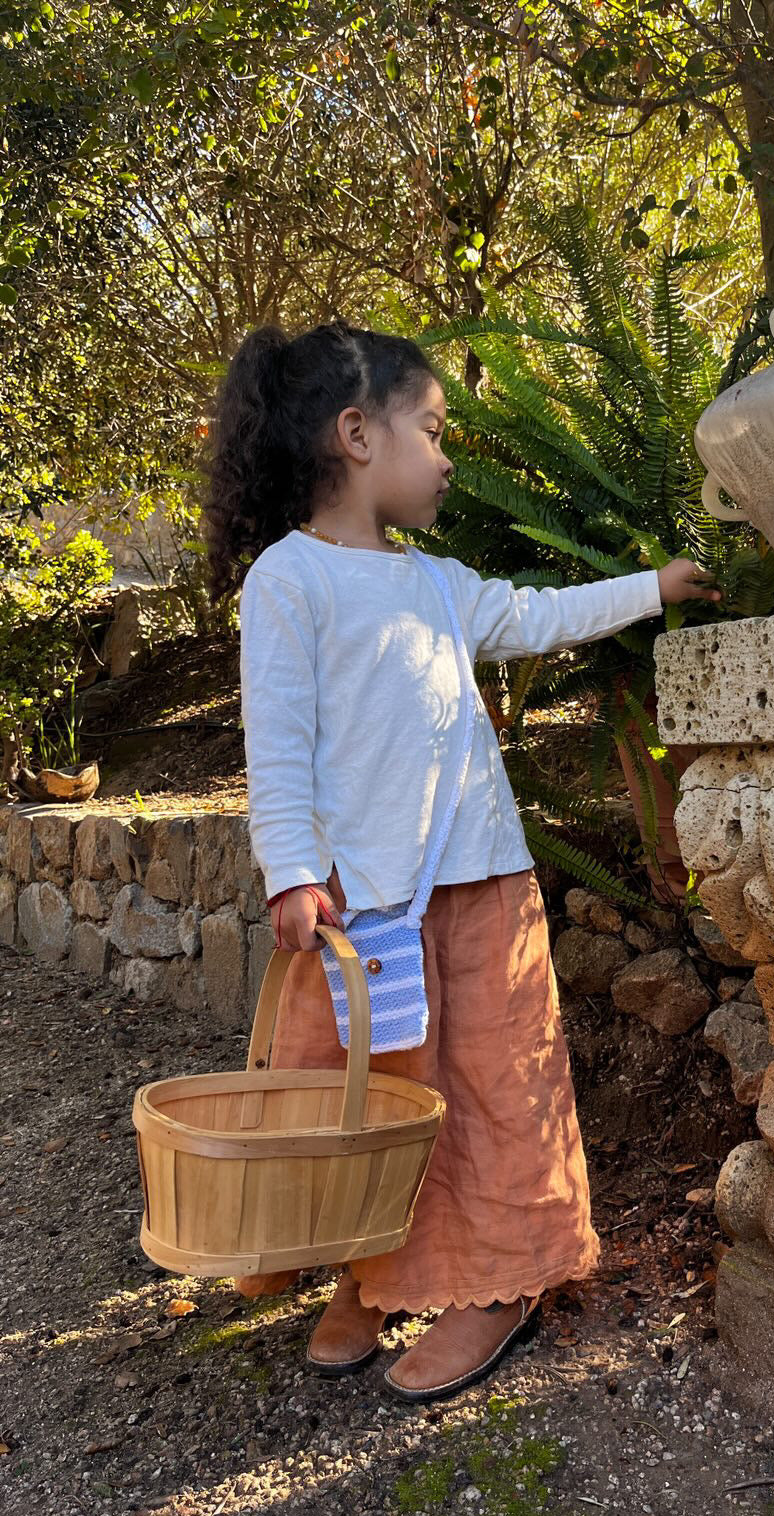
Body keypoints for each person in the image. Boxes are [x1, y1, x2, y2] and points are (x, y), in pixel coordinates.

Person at [202, 319, 722, 1403]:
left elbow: (537, 616)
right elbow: (278, 746)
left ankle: (503, 1279)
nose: (446, 458)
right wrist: (291, 872)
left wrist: (651, 586)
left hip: (480, 885)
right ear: (354, 434)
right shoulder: (288, 582)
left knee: (495, 1089)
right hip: (365, 908)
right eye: (431, 430)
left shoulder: (439, 583)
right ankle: (377, 1266)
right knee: (374, 1101)